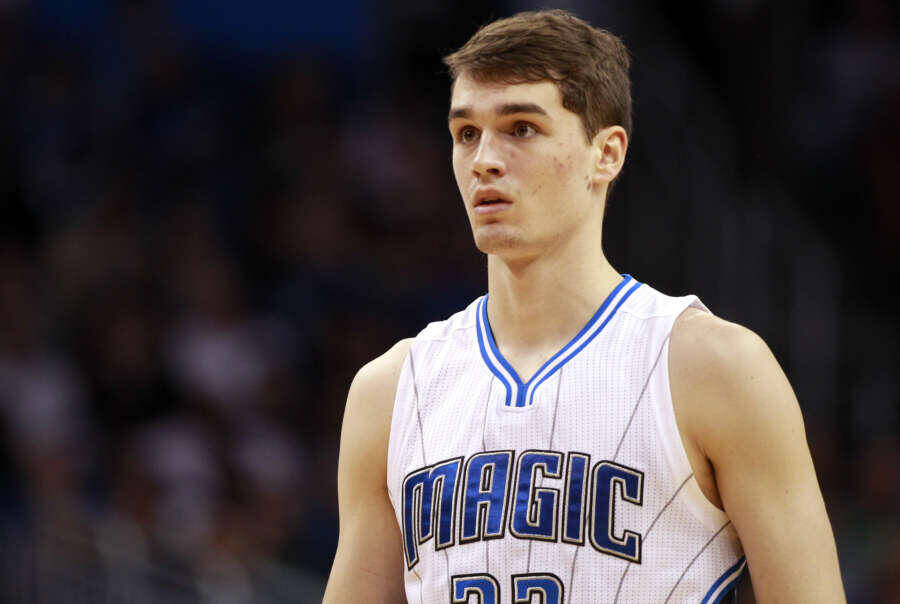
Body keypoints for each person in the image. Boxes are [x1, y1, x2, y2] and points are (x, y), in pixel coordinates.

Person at [324, 9, 845, 603]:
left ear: (608, 154)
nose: (484, 160)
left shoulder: (715, 367)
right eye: (466, 133)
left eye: (521, 128)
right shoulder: (391, 391)